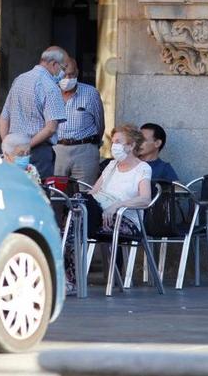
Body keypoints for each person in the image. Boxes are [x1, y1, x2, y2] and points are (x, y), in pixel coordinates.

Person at [63, 124, 151, 294]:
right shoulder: (111, 166)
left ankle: (70, 280)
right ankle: (69, 278)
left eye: (119, 142)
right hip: (99, 214)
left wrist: (117, 205)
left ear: (131, 145)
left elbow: (145, 199)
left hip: (123, 219)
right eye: (113, 142)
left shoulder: (142, 168)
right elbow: (93, 192)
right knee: (77, 204)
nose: (114, 146)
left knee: (73, 228)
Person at [0, 46, 68, 178]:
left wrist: (8, 146)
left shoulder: (19, 79)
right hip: (37, 152)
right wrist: (25, 147)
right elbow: (50, 128)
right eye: (63, 68)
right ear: (54, 64)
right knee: (38, 193)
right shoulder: (50, 87)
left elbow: (4, 117)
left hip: (11, 152)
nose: (63, 73)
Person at [53, 57, 104, 187]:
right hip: (56, 151)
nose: (68, 78)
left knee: (85, 195)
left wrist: (91, 146)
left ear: (77, 72)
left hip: (85, 150)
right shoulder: (49, 93)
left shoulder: (90, 93)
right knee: (55, 194)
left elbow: (100, 124)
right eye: (64, 75)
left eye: (72, 74)